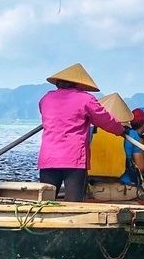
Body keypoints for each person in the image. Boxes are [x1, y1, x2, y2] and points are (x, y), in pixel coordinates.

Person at [38, 63, 126, 202]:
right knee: (74, 201)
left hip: (49, 157)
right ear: (78, 84)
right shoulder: (85, 99)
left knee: (45, 200)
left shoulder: (46, 99)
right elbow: (104, 119)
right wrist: (120, 130)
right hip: (73, 158)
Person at [86, 105, 144, 200]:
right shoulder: (131, 134)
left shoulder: (91, 132)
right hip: (125, 190)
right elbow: (142, 167)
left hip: (97, 190)